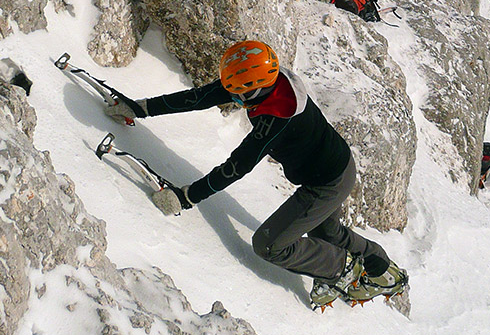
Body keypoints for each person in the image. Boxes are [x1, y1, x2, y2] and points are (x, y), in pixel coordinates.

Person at [106, 39, 407, 310]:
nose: (234, 97)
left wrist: (187, 197)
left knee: (270, 245)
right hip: (335, 167)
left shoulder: (278, 115)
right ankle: (382, 270)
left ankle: (342, 270)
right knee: (327, 234)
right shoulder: (259, 81)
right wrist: (142, 108)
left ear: (258, 87)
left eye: (241, 94)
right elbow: (199, 97)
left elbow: (238, 166)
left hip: (326, 183)